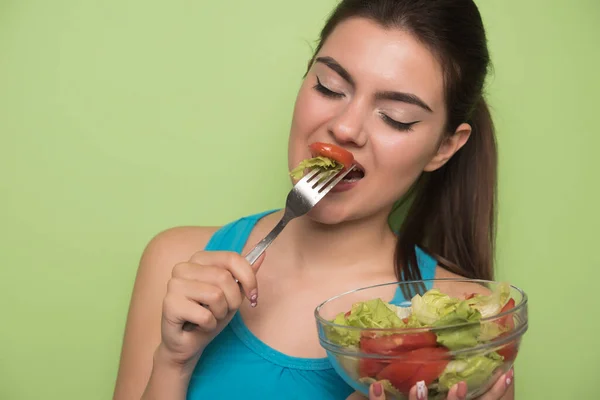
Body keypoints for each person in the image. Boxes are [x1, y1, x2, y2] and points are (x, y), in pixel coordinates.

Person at [113, 0, 515, 399]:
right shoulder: (176, 263)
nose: (344, 128)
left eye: (395, 116)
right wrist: (173, 362)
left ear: (444, 147)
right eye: (329, 86)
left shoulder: (468, 327)